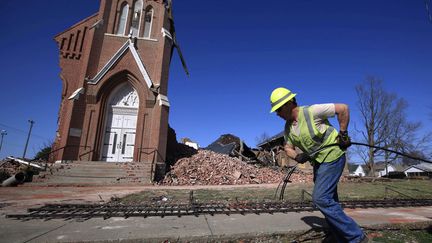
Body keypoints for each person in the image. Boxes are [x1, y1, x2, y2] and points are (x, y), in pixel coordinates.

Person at [269, 87, 368, 243]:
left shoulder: (311, 111)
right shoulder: (289, 128)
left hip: (333, 156)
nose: (277, 114)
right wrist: (297, 156)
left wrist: (343, 133)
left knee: (320, 198)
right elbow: (288, 148)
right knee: (330, 200)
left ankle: (356, 237)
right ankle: (338, 235)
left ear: (288, 104)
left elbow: (343, 108)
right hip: (319, 163)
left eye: (278, 109)